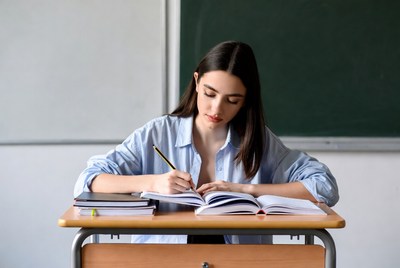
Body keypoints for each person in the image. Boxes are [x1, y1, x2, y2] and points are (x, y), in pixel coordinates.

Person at [74, 40, 339, 244]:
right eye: (209, 93)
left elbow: (324, 187)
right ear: (197, 81)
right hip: (161, 260)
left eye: (232, 100)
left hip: (239, 261)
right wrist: (152, 182)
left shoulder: (257, 140)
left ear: (246, 100)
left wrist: (246, 190)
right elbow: (88, 180)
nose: (216, 108)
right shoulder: (157, 133)